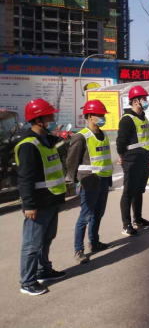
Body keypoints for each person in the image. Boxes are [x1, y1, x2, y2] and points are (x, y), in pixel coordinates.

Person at [15, 99, 67, 295]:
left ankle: (43, 270)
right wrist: (28, 205)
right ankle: (28, 282)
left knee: (46, 239)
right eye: (49, 116)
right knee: (32, 244)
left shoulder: (46, 139)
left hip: (52, 199)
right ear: (38, 120)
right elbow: (25, 178)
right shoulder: (28, 145)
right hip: (38, 203)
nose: (53, 119)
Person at [66, 100, 114, 264]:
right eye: (99, 115)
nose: (102, 118)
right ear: (90, 116)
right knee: (85, 216)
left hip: (104, 181)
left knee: (98, 214)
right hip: (89, 182)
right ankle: (78, 250)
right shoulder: (81, 137)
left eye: (103, 115)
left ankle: (94, 242)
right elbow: (71, 162)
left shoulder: (103, 134)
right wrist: (77, 181)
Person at [117, 86, 149, 236]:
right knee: (128, 193)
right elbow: (121, 142)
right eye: (144, 98)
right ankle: (126, 225)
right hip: (131, 161)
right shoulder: (127, 119)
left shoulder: (143, 117)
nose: (146, 101)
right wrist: (122, 157)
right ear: (136, 101)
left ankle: (138, 219)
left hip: (143, 161)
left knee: (139, 191)